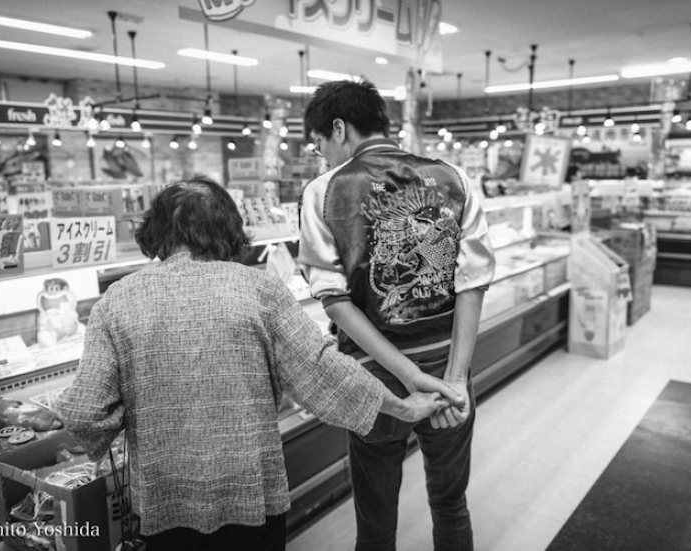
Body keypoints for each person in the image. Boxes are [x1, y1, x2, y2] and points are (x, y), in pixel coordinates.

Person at [57, 177, 455, 551]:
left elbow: (86, 412)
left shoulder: (118, 299)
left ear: (156, 231)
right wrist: (404, 407)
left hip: (166, 498)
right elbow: (321, 370)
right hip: (250, 491)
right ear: (229, 229)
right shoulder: (259, 289)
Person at [298, 80, 496, 551]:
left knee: (375, 517)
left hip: (375, 379)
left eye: (319, 142)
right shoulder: (454, 178)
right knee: (451, 505)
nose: (322, 154)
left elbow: (335, 300)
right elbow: (473, 283)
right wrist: (452, 379)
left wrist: (408, 377)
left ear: (339, 128)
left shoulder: (325, 190)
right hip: (450, 367)